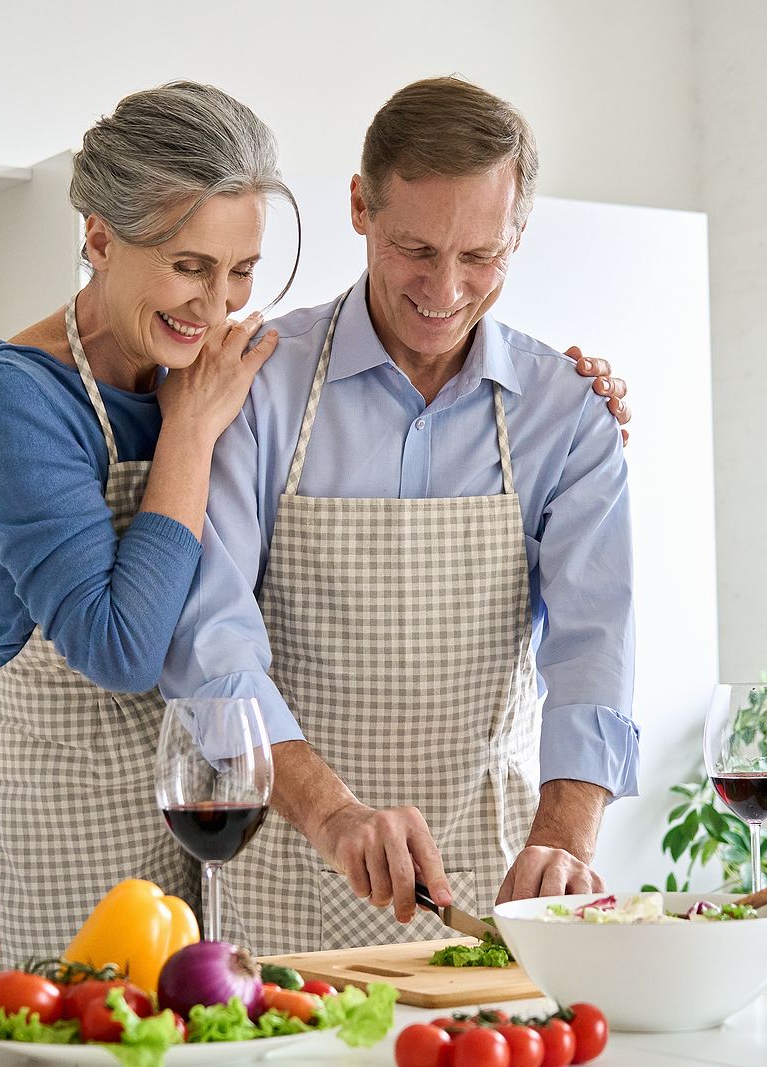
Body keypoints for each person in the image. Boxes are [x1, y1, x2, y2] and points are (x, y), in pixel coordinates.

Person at [0, 82, 631, 965]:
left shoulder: (199, 362)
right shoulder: (111, 393)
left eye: (239, 272)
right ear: (97, 238)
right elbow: (148, 643)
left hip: (255, 806)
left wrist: (569, 832)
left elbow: (595, 642)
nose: (217, 305)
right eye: (190, 265)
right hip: (106, 800)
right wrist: (191, 431)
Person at [159, 76, 637, 956]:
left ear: (518, 236)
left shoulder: (564, 414)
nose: (446, 290)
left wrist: (566, 837)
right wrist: (336, 815)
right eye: (416, 247)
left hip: (493, 881)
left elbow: (593, 646)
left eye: (481, 256)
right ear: (359, 208)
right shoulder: (257, 385)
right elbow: (208, 637)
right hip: (286, 873)